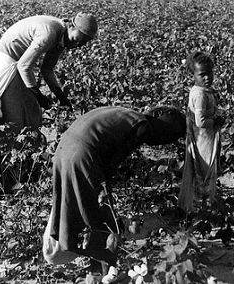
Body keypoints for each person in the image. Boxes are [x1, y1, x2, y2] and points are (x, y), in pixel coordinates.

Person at [42, 106, 186, 279]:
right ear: (157, 115)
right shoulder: (143, 125)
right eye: (169, 132)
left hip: (64, 150)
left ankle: (95, 266)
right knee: (102, 217)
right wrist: (103, 186)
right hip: (82, 154)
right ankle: (104, 272)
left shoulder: (122, 113)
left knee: (76, 204)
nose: (164, 140)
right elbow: (112, 162)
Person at [0, 12, 98, 137]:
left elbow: (47, 69)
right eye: (76, 40)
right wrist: (39, 95)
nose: (76, 45)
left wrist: (62, 97)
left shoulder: (64, 37)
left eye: (82, 43)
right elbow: (23, 66)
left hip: (17, 63)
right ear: (71, 26)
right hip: (6, 62)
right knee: (21, 112)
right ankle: (6, 146)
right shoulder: (49, 34)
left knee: (30, 112)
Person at [178, 51, 226, 213]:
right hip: (202, 142)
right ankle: (200, 211)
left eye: (209, 73)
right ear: (194, 75)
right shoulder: (199, 95)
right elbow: (201, 121)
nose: (207, 78)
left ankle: (200, 208)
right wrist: (216, 121)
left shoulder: (202, 91)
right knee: (203, 173)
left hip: (203, 139)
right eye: (202, 74)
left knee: (201, 172)